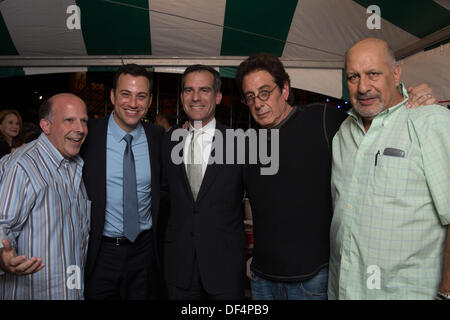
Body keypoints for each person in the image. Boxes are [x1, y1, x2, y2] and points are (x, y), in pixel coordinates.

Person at [235, 53, 437, 300]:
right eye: (250, 96)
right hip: (262, 279)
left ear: (284, 90)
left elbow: (377, 121)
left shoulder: (322, 119)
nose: (258, 103)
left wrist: (411, 99)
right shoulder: (247, 145)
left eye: (265, 92)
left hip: (312, 279)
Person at [328, 38, 450, 300]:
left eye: (373, 74)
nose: (363, 87)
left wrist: (447, 292)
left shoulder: (431, 122)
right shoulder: (343, 134)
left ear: (396, 74)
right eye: (353, 77)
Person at [161, 65, 246, 299]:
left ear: (218, 97)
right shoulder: (168, 141)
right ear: (181, 97)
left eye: (204, 90)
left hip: (224, 268)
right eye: (189, 90)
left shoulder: (239, 143)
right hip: (179, 267)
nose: (195, 97)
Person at [80, 64, 164, 300]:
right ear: (113, 96)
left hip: (145, 252)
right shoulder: (88, 135)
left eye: (141, 96)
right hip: (101, 253)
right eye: (126, 94)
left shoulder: (157, 137)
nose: (133, 103)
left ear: (149, 101)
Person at [0, 93, 90, 299]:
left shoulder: (74, 165)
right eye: (69, 120)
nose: (80, 129)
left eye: (83, 121)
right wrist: (3, 258)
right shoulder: (22, 166)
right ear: (46, 126)